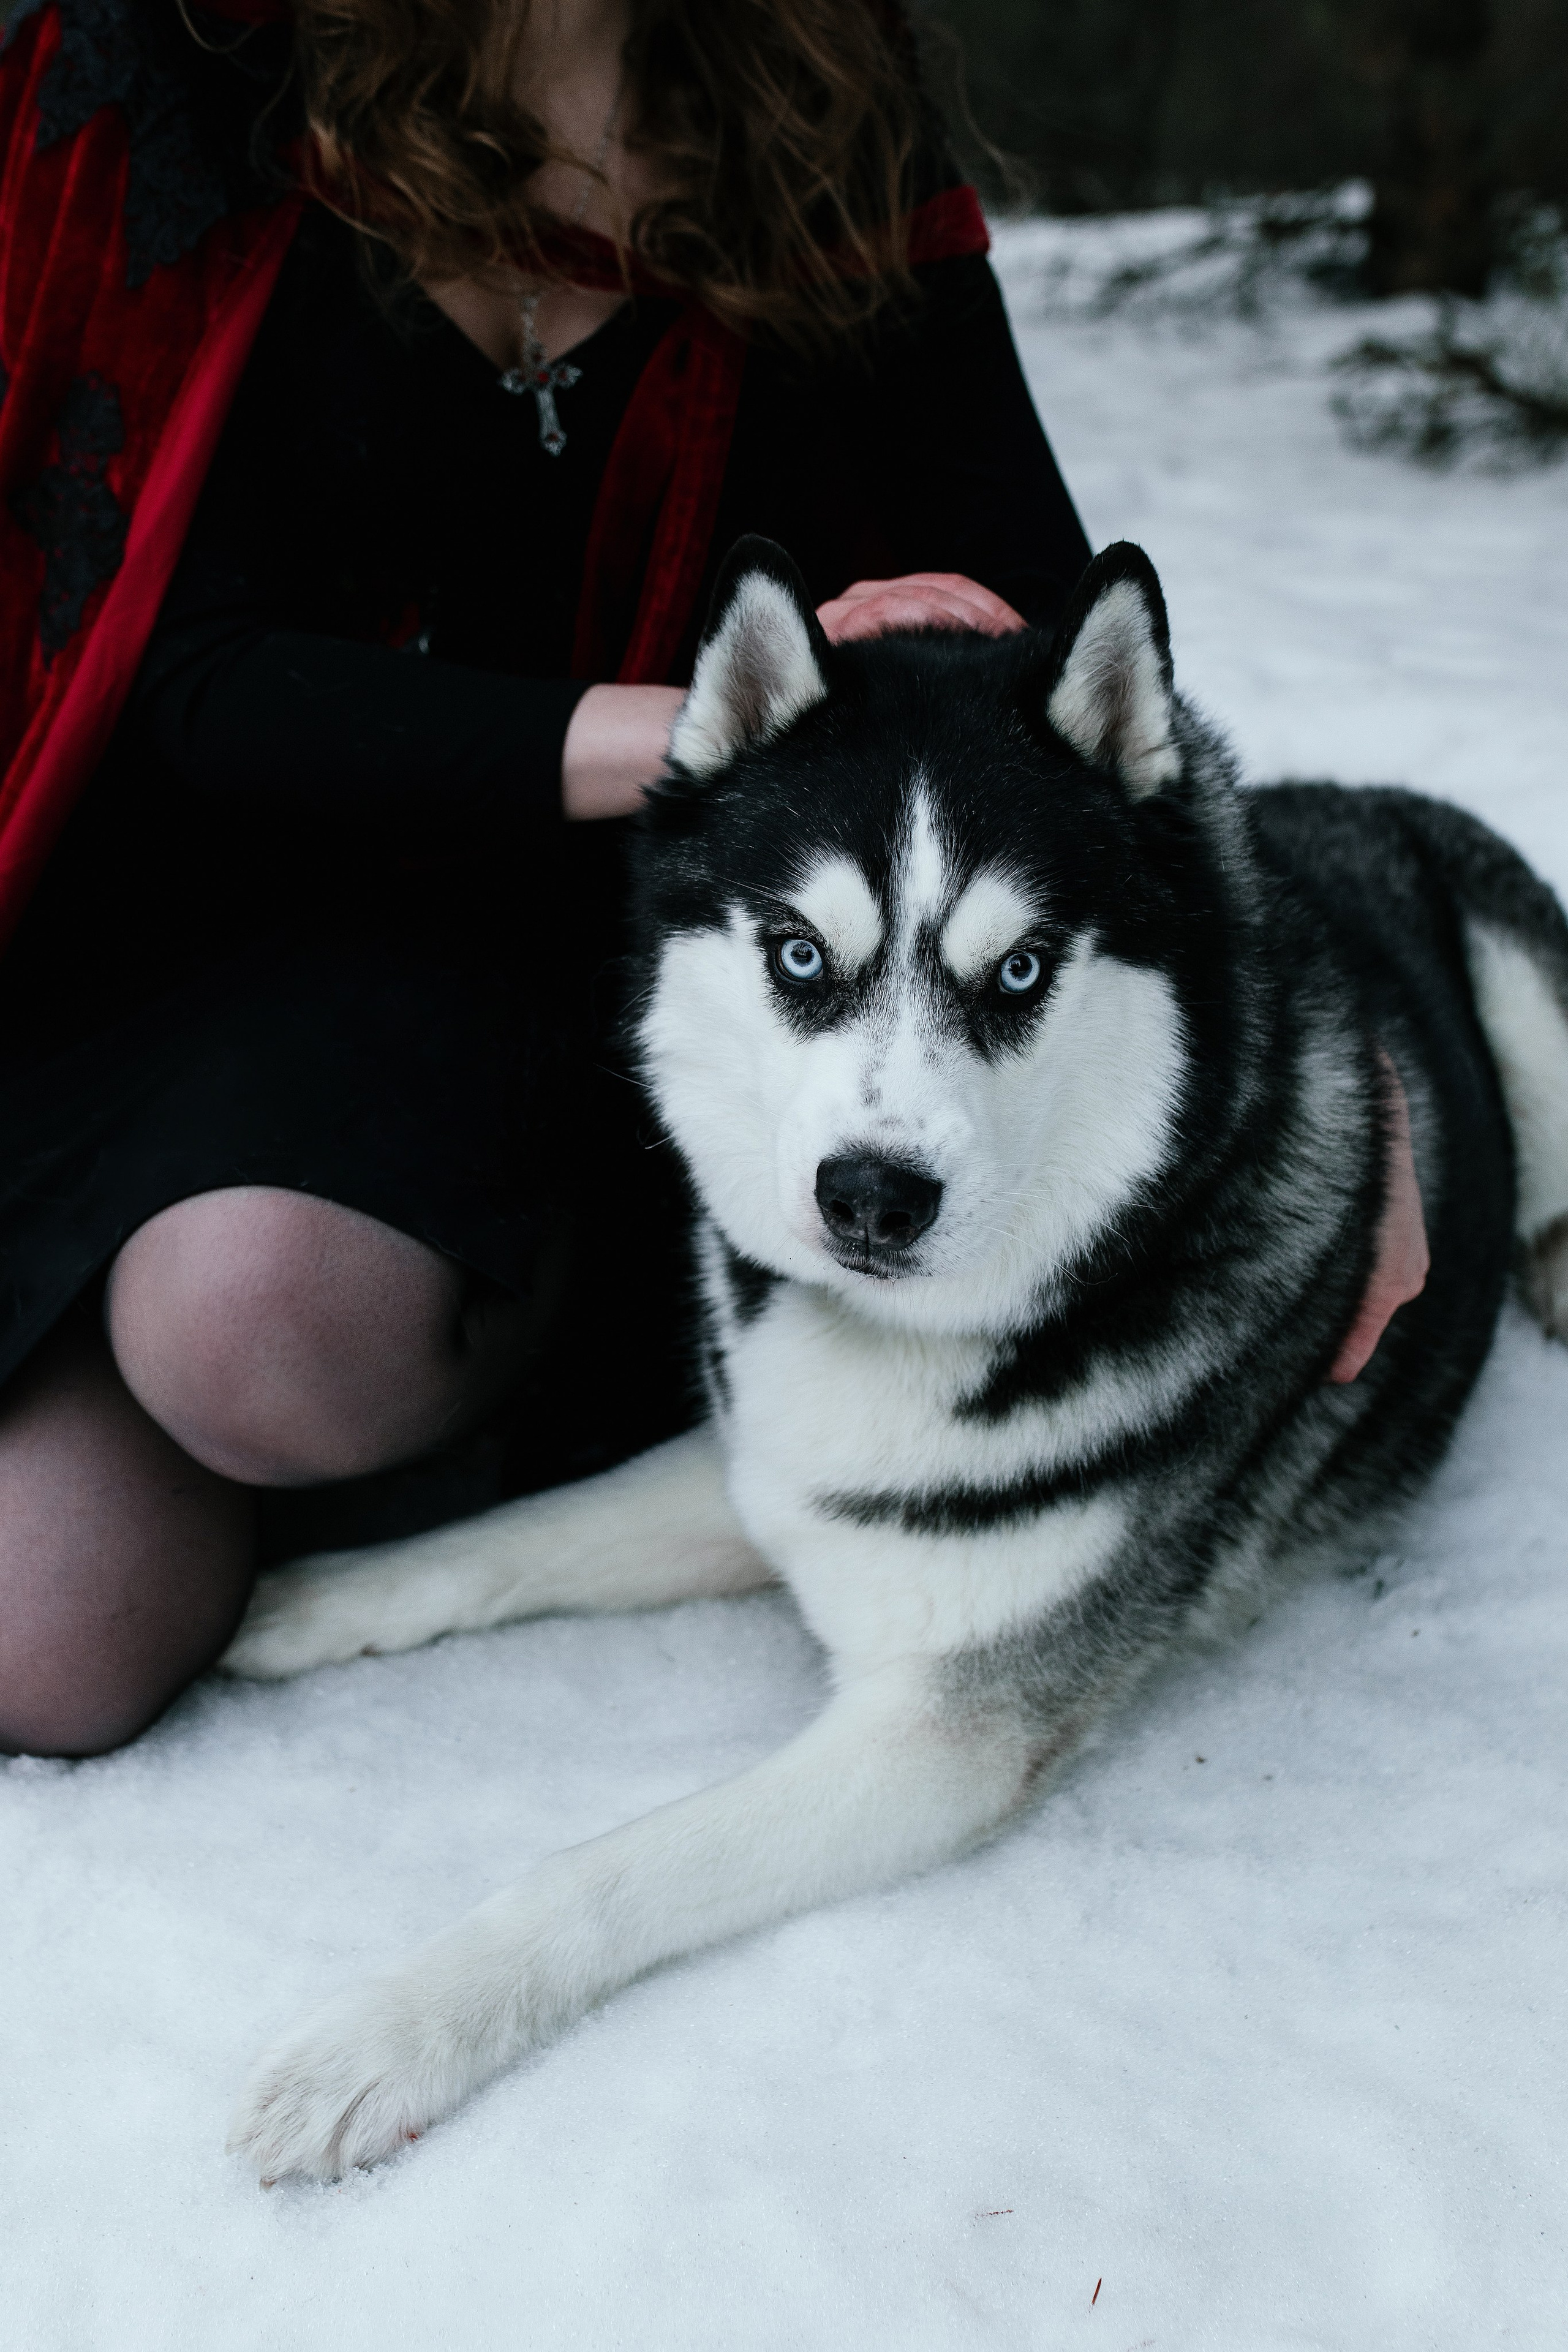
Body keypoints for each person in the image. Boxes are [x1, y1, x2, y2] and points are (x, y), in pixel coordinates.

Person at [0, 0, 1423, 1760]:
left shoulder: (817, 108)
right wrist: (673, 735)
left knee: (259, 1329)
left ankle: (591, 1335)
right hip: (200, 926)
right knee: (42, 1640)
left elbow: (1084, 695)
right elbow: (175, 673)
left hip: (702, 982)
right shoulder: (192, 65)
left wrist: (1341, 1093)